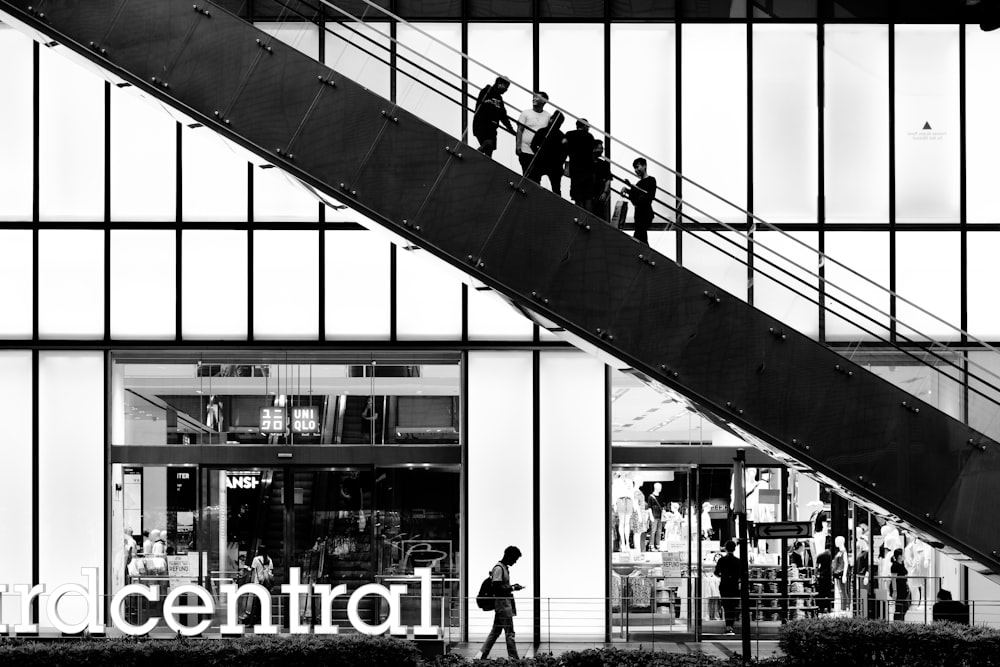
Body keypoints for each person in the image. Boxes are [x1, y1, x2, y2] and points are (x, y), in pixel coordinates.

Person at [475, 546, 524, 660]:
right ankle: (514, 658)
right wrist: (512, 588)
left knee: (495, 631)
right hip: (503, 606)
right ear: (509, 556)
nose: (515, 561)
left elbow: (500, 587)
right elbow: (497, 589)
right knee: (510, 633)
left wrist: (511, 587)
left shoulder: (502, 568)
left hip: (503, 605)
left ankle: (483, 655)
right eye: (515, 558)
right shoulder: (499, 569)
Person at [472, 76, 515, 157]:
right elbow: (480, 106)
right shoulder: (486, 91)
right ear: (499, 83)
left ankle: (483, 165)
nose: (506, 89)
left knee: (489, 151)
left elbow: (503, 115)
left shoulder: (499, 98)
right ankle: (473, 155)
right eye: (506, 86)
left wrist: (510, 129)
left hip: (492, 128)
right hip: (482, 124)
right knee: (488, 144)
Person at [529, 110, 567, 195]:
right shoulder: (562, 136)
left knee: (534, 181)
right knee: (556, 189)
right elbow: (565, 153)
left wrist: (538, 154)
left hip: (541, 161)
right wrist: (559, 161)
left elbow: (533, 145)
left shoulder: (542, 131)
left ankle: (535, 197)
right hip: (555, 165)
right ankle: (557, 205)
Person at [515, 91, 551, 180]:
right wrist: (518, 147)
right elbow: (519, 130)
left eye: (537, 97)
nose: (534, 99)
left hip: (538, 153)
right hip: (525, 150)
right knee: (527, 175)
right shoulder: (526, 113)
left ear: (544, 101)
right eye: (534, 97)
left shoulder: (548, 116)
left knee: (536, 178)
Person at [562, 118, 597, 209]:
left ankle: (579, 216)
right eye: (588, 126)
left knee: (577, 196)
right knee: (588, 196)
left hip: (575, 168)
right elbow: (592, 151)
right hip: (588, 169)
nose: (588, 128)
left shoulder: (569, 134)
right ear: (584, 126)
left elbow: (563, 144)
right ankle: (587, 218)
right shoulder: (589, 136)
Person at [623, 158, 656, 244]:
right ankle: (646, 254)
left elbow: (648, 197)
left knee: (639, 235)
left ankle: (646, 254)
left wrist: (631, 188)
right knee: (641, 236)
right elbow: (634, 196)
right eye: (635, 168)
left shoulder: (651, 180)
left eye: (637, 167)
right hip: (639, 213)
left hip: (645, 213)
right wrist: (627, 189)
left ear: (644, 166)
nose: (636, 170)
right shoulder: (639, 183)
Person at [714, 540, 740, 635]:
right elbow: (741, 575)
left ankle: (727, 626)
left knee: (726, 606)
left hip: (724, 585)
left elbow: (716, 573)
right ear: (734, 548)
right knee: (733, 606)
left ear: (725, 548)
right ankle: (731, 626)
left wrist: (723, 576)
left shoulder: (722, 560)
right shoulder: (738, 561)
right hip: (734, 586)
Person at [245, 544, 274, 625]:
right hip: (266, 584)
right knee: (264, 603)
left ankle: (253, 621)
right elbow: (271, 572)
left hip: (258, 583)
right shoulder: (269, 559)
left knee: (255, 604)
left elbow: (253, 571)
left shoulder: (256, 559)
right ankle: (264, 621)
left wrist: (247, 569)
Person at [590, 140, 612, 221]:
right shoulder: (587, 163)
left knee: (599, 217)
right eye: (600, 148)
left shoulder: (604, 164)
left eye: (602, 148)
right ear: (593, 149)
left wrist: (605, 192)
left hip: (599, 195)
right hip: (588, 195)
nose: (602, 150)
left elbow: (608, 179)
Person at [889, 547, 910, 621]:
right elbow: (893, 579)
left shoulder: (902, 564)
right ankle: (897, 622)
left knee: (904, 606)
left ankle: (901, 621)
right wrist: (895, 591)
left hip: (903, 587)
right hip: (898, 588)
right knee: (899, 606)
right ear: (899, 556)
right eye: (903, 554)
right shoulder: (894, 566)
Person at [815, 538, 833, 613]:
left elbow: (816, 566)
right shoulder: (830, 556)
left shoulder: (820, 555)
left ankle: (821, 607)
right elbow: (831, 567)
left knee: (821, 592)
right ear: (830, 548)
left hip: (821, 575)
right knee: (828, 592)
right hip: (828, 575)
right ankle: (828, 608)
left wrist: (816, 575)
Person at [832, 535, 848, 612]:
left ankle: (844, 608)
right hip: (838, 574)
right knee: (841, 591)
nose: (835, 542)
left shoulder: (843, 551)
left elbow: (846, 563)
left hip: (841, 574)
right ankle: (843, 608)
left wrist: (844, 575)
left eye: (837, 541)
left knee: (843, 591)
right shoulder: (840, 552)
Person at [646, 482, 664, 551]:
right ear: (656, 488)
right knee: (653, 531)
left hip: (660, 516)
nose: (660, 489)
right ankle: (651, 545)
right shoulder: (651, 496)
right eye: (659, 487)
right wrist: (651, 516)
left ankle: (658, 545)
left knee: (659, 531)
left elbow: (662, 506)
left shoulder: (661, 496)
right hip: (654, 516)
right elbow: (649, 507)